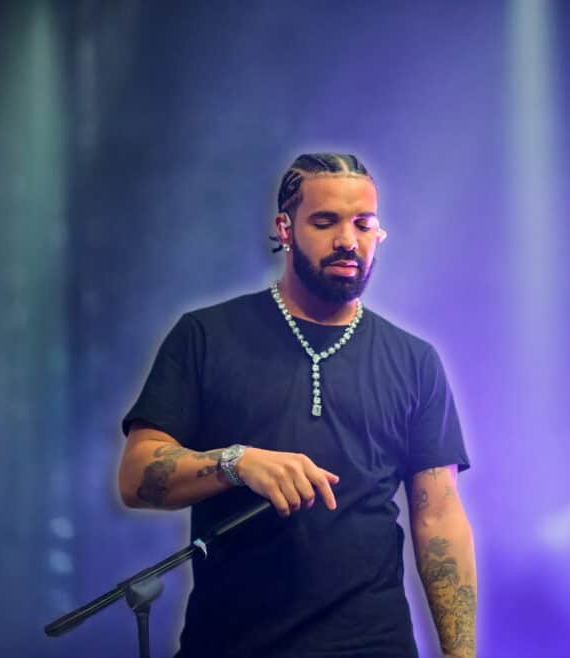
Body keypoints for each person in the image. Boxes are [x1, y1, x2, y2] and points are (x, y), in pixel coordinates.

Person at [117, 153, 476, 657]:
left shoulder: (414, 360)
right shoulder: (205, 337)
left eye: (363, 223)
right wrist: (234, 462)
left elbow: (438, 515)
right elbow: (136, 477)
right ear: (284, 228)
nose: (347, 240)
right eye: (325, 221)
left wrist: (461, 654)